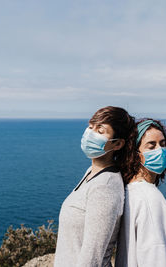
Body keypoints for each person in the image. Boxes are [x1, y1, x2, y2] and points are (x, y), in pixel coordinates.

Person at [54, 106, 136, 267]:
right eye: (91, 126)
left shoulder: (105, 187)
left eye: (100, 130)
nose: (90, 133)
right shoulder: (91, 172)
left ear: (117, 144)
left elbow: (92, 259)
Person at [115, 119, 166, 267]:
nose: (160, 150)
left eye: (163, 144)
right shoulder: (150, 199)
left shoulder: (128, 192)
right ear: (135, 154)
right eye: (151, 146)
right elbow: (157, 256)